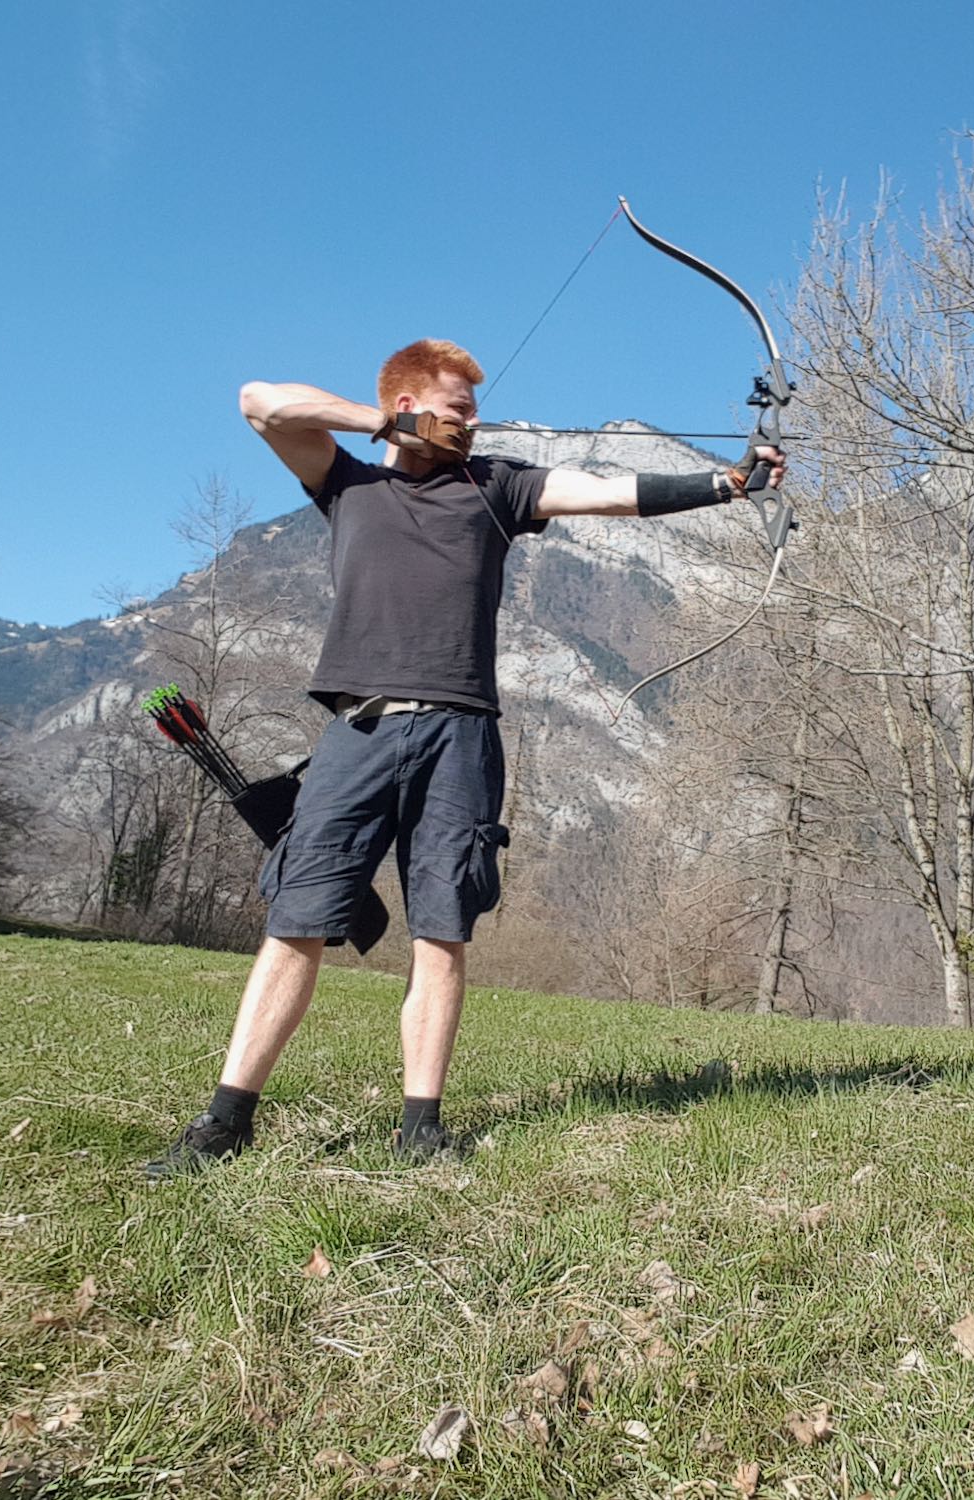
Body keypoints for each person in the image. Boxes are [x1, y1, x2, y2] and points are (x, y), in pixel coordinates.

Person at [144, 338, 784, 1178]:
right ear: (410, 403)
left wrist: (726, 483)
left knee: (442, 932)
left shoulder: (497, 486)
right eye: (459, 409)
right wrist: (385, 424)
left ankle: (422, 1130)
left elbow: (607, 494)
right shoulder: (347, 484)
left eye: (474, 412)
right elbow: (259, 401)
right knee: (296, 922)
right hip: (358, 733)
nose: (473, 423)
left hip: (462, 736)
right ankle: (226, 1123)